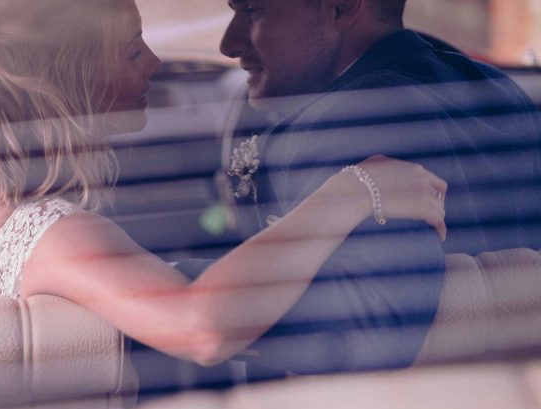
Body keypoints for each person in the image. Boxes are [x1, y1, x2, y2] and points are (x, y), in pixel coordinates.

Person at [0, 0, 446, 370]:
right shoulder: (42, 233)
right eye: (129, 47)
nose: (156, 62)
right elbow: (204, 327)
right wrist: (354, 190)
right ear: (71, 74)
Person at [181, 0, 541, 378]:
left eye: (253, 11)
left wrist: (175, 292)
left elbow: (367, 326)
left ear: (341, 7)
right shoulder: (490, 85)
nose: (229, 43)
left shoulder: (350, 122)